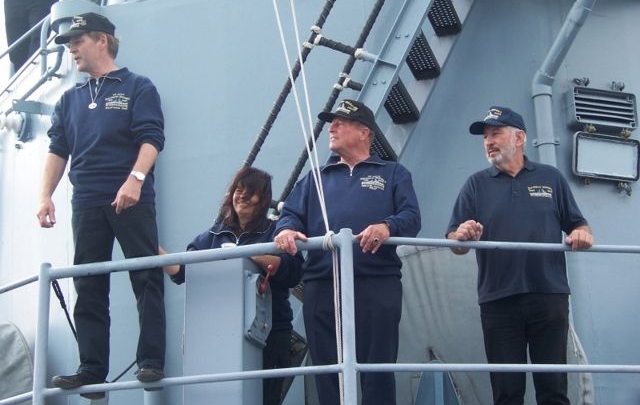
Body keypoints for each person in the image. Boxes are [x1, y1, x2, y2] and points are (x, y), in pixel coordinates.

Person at [36, 12, 166, 399]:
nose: (72, 49)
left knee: (145, 276)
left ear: (102, 41)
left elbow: (151, 139)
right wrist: (44, 195)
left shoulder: (138, 87)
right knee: (88, 284)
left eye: (77, 40)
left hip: (130, 198)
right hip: (88, 201)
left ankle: (151, 361)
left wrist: (135, 179)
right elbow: (58, 150)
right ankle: (92, 370)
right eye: (69, 43)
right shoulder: (70, 99)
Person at [275, 99, 421, 405]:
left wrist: (387, 226)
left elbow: (411, 217)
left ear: (364, 132)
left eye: (341, 122)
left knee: (376, 368)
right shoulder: (315, 178)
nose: (333, 127)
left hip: (376, 282)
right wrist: (286, 230)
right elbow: (290, 215)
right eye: (332, 122)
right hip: (323, 285)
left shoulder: (392, 174)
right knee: (328, 370)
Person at [446, 106, 593, 405]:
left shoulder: (551, 179)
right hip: (498, 300)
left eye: (496, 133)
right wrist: (462, 236)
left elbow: (578, 223)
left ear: (520, 137)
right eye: (485, 136)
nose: (489, 141)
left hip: (548, 295)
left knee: (553, 388)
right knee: (507, 391)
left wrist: (582, 234)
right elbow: (454, 241)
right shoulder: (475, 184)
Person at [160, 167, 303, 405]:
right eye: (239, 190)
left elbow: (292, 270)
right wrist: (150, 247)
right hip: (221, 333)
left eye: (251, 192)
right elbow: (183, 271)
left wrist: (245, 256)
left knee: (266, 398)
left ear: (264, 199)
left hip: (271, 331)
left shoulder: (274, 233)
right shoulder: (214, 236)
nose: (242, 197)